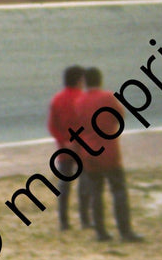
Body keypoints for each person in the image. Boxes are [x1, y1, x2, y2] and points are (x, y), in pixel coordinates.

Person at [77, 67, 143, 243]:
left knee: (96, 192)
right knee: (118, 190)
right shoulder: (107, 97)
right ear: (100, 80)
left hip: (89, 153)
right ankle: (125, 231)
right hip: (109, 151)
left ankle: (100, 232)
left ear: (85, 82)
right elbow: (120, 117)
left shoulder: (80, 101)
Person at [47, 65, 90, 230]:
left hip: (64, 149)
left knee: (64, 185)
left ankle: (64, 222)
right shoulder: (83, 99)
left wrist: (64, 141)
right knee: (84, 184)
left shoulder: (57, 99)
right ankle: (85, 220)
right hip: (83, 148)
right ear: (80, 80)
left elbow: (52, 126)